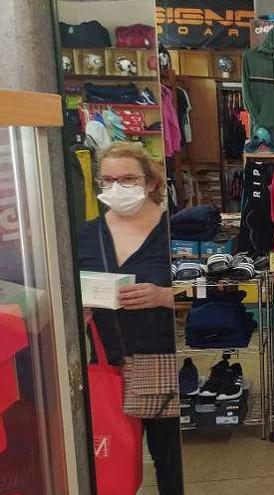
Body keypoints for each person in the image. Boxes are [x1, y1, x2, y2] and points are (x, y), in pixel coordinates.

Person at [77, 142, 183, 494]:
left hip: (161, 358)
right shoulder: (85, 235)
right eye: (107, 181)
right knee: (110, 455)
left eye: (127, 179)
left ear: (150, 182)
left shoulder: (174, 231)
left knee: (169, 457)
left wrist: (164, 296)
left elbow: (209, 291)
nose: (116, 188)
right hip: (104, 361)